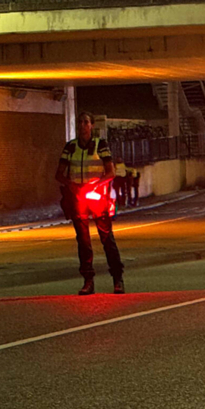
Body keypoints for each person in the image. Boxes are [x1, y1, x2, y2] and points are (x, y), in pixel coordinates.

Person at [55, 112, 125, 295]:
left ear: (92, 125)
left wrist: (95, 185)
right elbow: (59, 174)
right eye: (80, 122)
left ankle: (117, 278)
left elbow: (111, 172)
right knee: (83, 241)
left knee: (107, 238)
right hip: (77, 198)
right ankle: (88, 280)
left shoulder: (100, 145)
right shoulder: (70, 147)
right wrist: (72, 185)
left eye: (86, 122)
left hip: (97, 198)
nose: (83, 125)